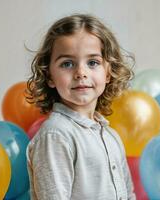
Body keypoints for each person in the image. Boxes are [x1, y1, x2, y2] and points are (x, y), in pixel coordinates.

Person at [26, 13, 136, 200]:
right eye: (67, 63)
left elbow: (128, 194)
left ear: (108, 73)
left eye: (93, 62)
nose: (80, 73)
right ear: (49, 76)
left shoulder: (110, 136)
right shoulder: (56, 135)